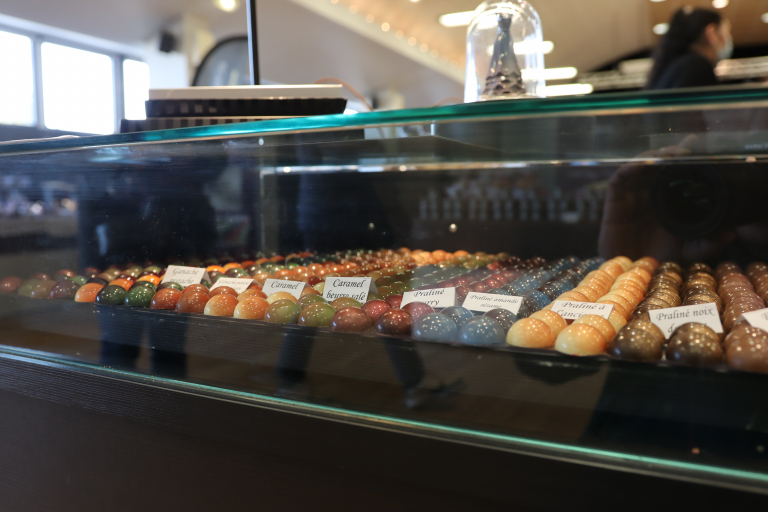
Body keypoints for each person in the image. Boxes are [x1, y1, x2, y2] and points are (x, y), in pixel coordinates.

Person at [647, 7, 732, 90]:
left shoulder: (679, 65)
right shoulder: (698, 67)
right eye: (726, 33)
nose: (728, 39)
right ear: (712, 33)